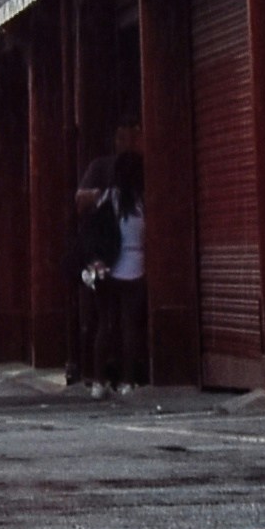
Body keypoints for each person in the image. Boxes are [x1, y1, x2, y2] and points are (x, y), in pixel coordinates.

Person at [65, 147, 119, 384]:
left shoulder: (108, 203)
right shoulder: (109, 200)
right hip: (109, 265)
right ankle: (105, 377)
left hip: (104, 265)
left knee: (107, 320)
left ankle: (101, 378)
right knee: (111, 319)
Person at [108, 149, 147, 387]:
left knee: (114, 324)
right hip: (139, 264)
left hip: (114, 266)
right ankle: (132, 377)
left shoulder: (111, 199)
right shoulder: (143, 200)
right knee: (134, 325)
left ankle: (116, 376)